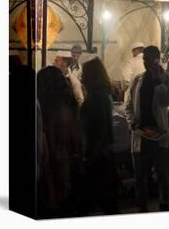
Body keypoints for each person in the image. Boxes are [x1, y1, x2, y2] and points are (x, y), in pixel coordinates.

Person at [125, 46, 169, 212]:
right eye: (144, 59)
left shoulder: (168, 80)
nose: (145, 62)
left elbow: (165, 101)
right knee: (140, 177)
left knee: (162, 174)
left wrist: (158, 80)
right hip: (140, 134)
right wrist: (132, 123)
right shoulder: (137, 80)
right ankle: (142, 208)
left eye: (149, 59)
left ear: (156, 59)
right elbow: (128, 105)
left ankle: (164, 204)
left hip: (158, 135)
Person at [37, 66, 81, 217]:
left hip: (52, 163)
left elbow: (47, 144)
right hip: (64, 159)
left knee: (52, 205)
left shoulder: (47, 109)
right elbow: (75, 138)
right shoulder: (68, 106)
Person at [78, 58, 120, 215]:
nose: (82, 78)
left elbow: (99, 129)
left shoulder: (96, 97)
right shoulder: (104, 96)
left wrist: (90, 157)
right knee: (104, 202)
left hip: (97, 156)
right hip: (103, 154)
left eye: (84, 74)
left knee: (94, 201)